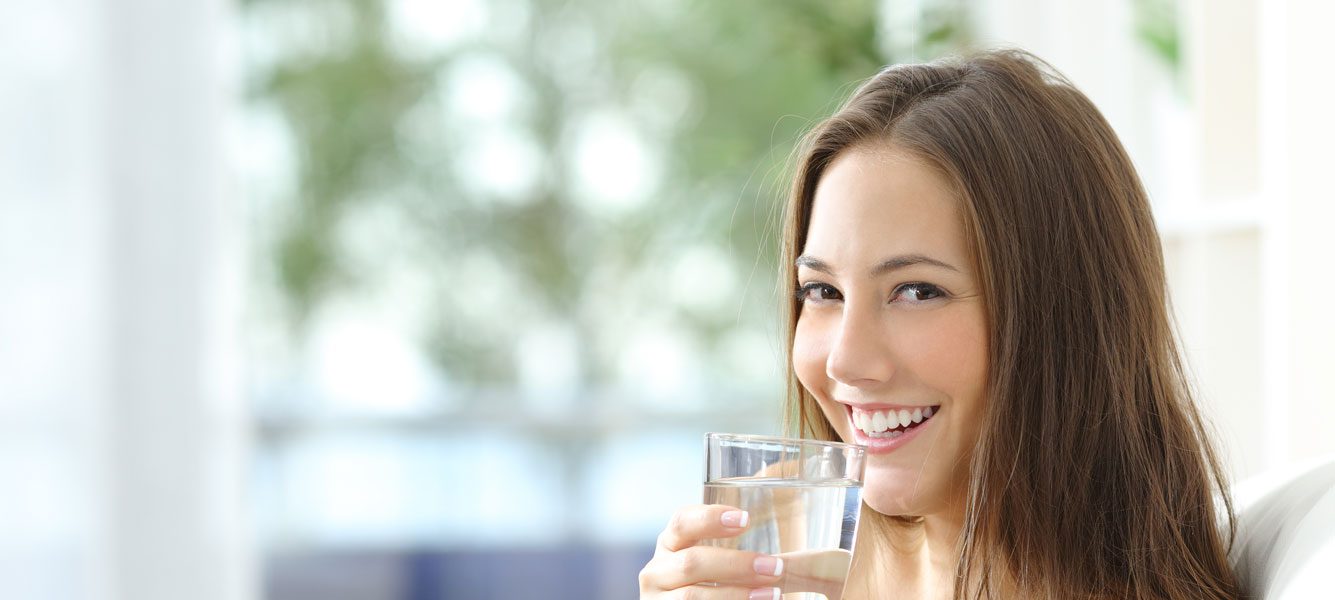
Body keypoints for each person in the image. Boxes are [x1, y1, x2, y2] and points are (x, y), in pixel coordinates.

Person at [638, 49, 1241, 600]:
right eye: (822, 291)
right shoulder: (794, 551)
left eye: (917, 291)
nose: (845, 361)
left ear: (1062, 319)